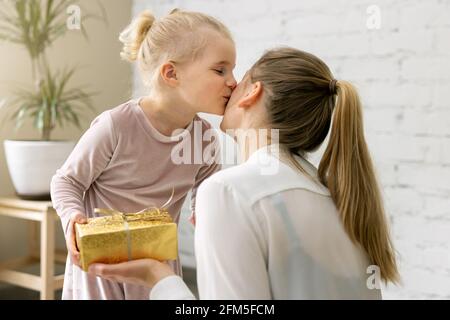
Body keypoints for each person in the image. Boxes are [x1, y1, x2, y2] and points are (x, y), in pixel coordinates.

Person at [88, 47, 400, 299]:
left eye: (238, 80)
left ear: (252, 93)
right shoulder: (340, 196)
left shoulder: (228, 191)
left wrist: (159, 279)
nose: (228, 85)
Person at [50, 8, 237, 300]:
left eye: (232, 71)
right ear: (172, 73)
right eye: (220, 70)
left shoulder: (205, 140)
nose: (233, 82)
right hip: (101, 272)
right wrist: (72, 217)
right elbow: (66, 181)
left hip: (157, 267)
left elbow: (207, 199)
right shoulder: (116, 126)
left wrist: (208, 215)